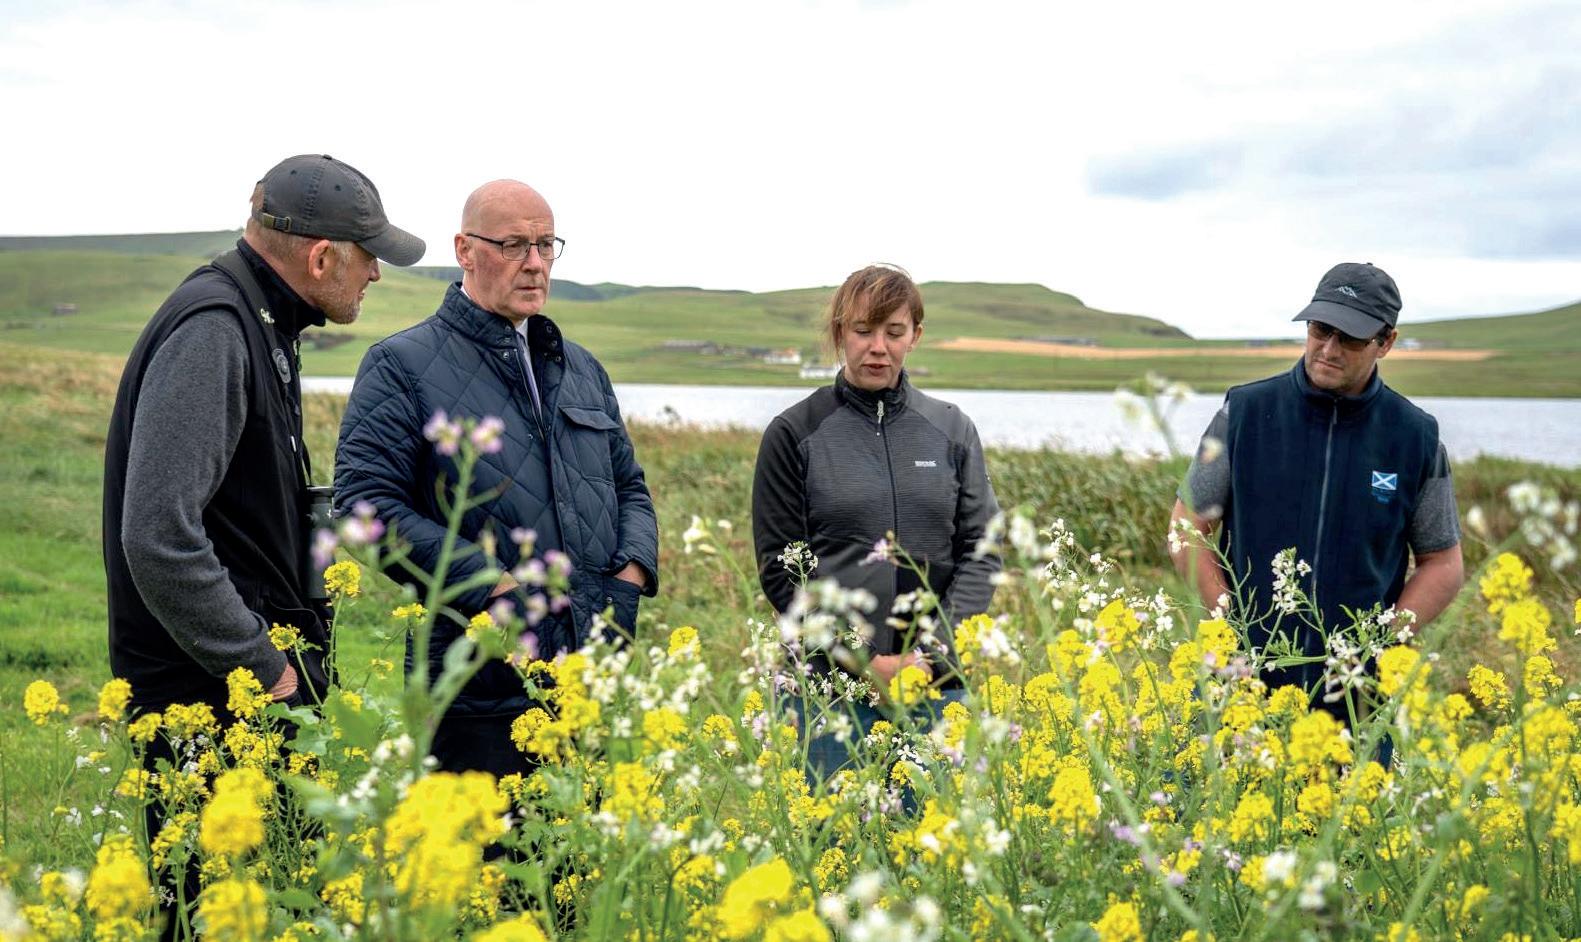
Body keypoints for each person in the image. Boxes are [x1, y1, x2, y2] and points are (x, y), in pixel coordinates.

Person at [104, 153, 423, 937]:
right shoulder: (215, 329)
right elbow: (157, 534)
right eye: (368, 256)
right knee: (208, 913)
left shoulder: (261, 320)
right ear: (321, 258)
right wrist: (263, 667)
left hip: (241, 688)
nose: (375, 274)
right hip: (213, 698)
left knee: (269, 908)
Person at [334, 179, 658, 778]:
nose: (534, 263)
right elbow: (364, 507)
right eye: (513, 245)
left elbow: (629, 487)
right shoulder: (400, 365)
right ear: (464, 250)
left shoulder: (581, 368)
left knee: (586, 839)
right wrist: (492, 589)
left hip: (591, 681)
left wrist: (630, 578)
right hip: (474, 694)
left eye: (545, 245)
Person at [1168, 261, 1465, 704]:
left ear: (1386, 342)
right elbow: (1186, 530)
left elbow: (1443, 564)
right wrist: (1230, 631)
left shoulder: (1415, 437)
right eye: (1320, 329)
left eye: (1351, 337)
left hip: (1355, 699)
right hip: (1240, 685)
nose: (1328, 349)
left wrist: (1379, 646)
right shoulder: (1243, 413)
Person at [751, 264, 1001, 777]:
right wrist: (864, 660)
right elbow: (781, 569)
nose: (878, 348)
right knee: (828, 826)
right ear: (840, 332)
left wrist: (930, 658)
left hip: (936, 686)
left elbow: (983, 550)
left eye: (894, 332)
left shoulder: (952, 429)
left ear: (916, 336)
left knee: (935, 828)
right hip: (827, 689)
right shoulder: (793, 432)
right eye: (863, 331)